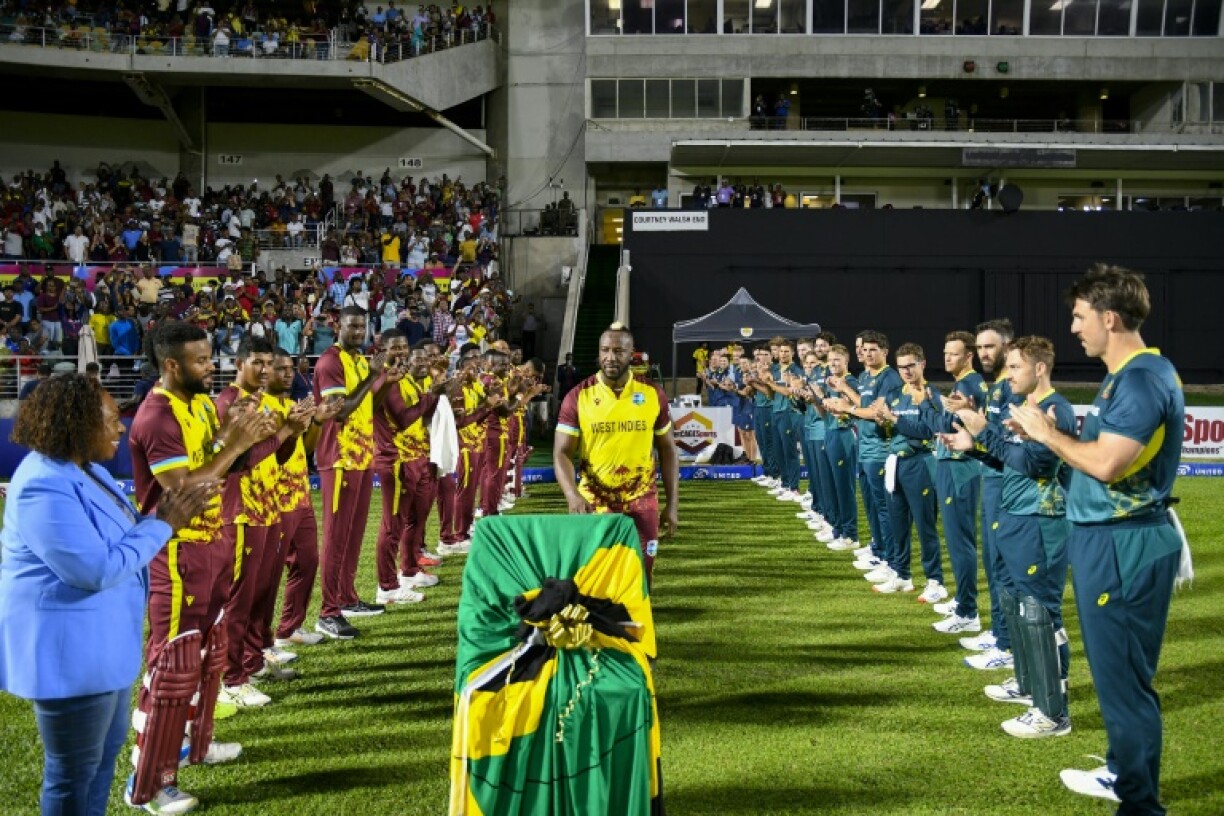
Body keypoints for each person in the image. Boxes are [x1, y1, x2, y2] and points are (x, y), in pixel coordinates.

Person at [1008, 265, 1185, 813]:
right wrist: (1045, 435)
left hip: (1121, 544)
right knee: (1117, 678)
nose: (1074, 327)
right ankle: (1122, 772)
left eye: (1080, 316)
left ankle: (1139, 803)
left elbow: (1108, 464)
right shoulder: (1128, 374)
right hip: (1110, 539)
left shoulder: (1141, 378)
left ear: (1109, 318)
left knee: (1124, 681)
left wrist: (1047, 433)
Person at [0, 374, 218, 816]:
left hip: (102, 650)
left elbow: (120, 540)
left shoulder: (88, 470)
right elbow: (94, 570)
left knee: (100, 764)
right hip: (69, 658)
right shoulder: (43, 484)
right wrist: (164, 524)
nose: (121, 427)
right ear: (76, 423)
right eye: (111, 418)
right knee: (72, 775)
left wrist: (157, 520)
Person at [127, 321, 277, 813]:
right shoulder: (157, 416)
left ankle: (197, 742)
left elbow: (225, 466)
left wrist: (250, 436)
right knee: (171, 663)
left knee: (210, 652)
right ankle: (147, 782)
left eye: (210, 357)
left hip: (213, 541)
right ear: (172, 365)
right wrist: (233, 443)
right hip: (176, 552)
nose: (211, 366)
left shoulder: (199, 405)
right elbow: (185, 489)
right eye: (200, 360)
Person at [947, 335, 1077, 737]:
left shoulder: (1055, 410)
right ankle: (1027, 684)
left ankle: (1053, 712)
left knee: (1040, 612)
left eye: (1016, 367)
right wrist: (974, 447)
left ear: (1040, 368)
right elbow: (1010, 459)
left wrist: (984, 431)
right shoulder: (1022, 407)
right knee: (1015, 603)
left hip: (1040, 520)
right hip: (1014, 515)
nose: (1009, 373)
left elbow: (1037, 464)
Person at [554, 324, 679, 586]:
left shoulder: (652, 394)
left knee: (642, 574)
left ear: (631, 354)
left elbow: (668, 449)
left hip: (642, 500)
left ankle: (637, 612)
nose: (610, 357)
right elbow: (562, 453)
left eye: (618, 351)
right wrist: (572, 495)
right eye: (605, 350)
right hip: (594, 500)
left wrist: (672, 504)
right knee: (594, 576)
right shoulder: (577, 396)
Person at [312, 306, 388, 640]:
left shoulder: (358, 360)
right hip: (339, 458)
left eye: (362, 326)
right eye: (352, 326)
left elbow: (367, 404)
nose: (358, 331)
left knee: (353, 534)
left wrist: (383, 380)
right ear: (336, 326)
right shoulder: (331, 361)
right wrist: (372, 376)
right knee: (335, 535)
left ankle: (346, 597)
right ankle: (327, 612)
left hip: (361, 456)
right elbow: (340, 411)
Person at [871, 343, 944, 596]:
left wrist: (894, 419)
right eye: (901, 367)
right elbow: (886, 433)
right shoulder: (894, 394)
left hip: (920, 463)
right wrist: (882, 422)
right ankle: (902, 574)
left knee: (925, 526)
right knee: (897, 524)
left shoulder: (931, 394)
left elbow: (928, 431)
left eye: (911, 366)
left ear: (922, 364)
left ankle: (935, 581)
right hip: (895, 463)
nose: (906, 371)